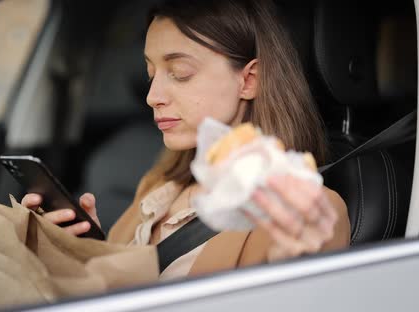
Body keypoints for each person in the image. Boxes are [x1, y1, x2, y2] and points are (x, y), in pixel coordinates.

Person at [22, 0, 350, 279]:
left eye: (179, 73)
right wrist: (81, 251)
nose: (153, 96)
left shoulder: (300, 206)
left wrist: (294, 260)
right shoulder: (158, 186)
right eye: (151, 74)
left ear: (249, 80)